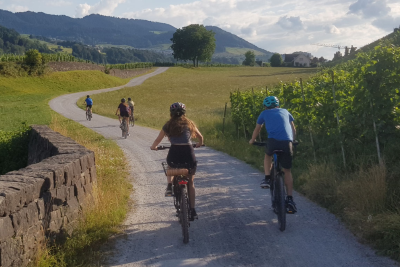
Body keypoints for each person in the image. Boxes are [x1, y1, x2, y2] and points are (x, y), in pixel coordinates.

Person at [150, 102, 204, 221]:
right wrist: (199, 144)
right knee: (190, 182)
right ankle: (193, 210)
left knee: (170, 165)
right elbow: (200, 137)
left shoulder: (168, 125)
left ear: (171, 113)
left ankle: (169, 185)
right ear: (184, 113)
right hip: (188, 153)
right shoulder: (189, 124)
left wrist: (153, 147)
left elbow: (158, 140)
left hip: (175, 152)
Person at [249, 96, 297, 213]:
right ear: (278, 105)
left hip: (273, 142)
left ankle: (266, 178)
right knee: (287, 170)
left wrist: (252, 140)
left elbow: (257, 129)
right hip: (287, 142)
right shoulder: (285, 111)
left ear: (265, 106)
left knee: (267, 156)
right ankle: (290, 199)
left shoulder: (264, 113)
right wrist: (293, 140)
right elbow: (293, 128)